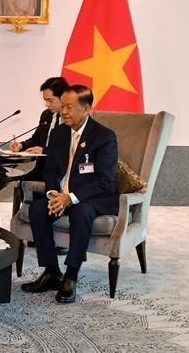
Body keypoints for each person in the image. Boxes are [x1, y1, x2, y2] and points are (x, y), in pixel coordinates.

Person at [20, 85, 119, 304]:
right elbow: (50, 170)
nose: (64, 111)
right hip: (62, 194)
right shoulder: (59, 133)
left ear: (86, 109)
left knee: (81, 212)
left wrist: (71, 197)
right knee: (37, 210)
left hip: (93, 198)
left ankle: (71, 276)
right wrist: (54, 193)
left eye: (69, 107)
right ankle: (52, 271)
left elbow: (105, 181)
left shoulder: (104, 137)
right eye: (62, 106)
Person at [10, 76, 69, 181]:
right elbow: (36, 139)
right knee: (21, 181)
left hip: (61, 171)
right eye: (45, 100)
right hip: (42, 168)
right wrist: (21, 145)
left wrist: (44, 150)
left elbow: (69, 146)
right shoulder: (46, 115)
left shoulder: (71, 118)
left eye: (51, 101)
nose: (47, 105)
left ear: (63, 97)